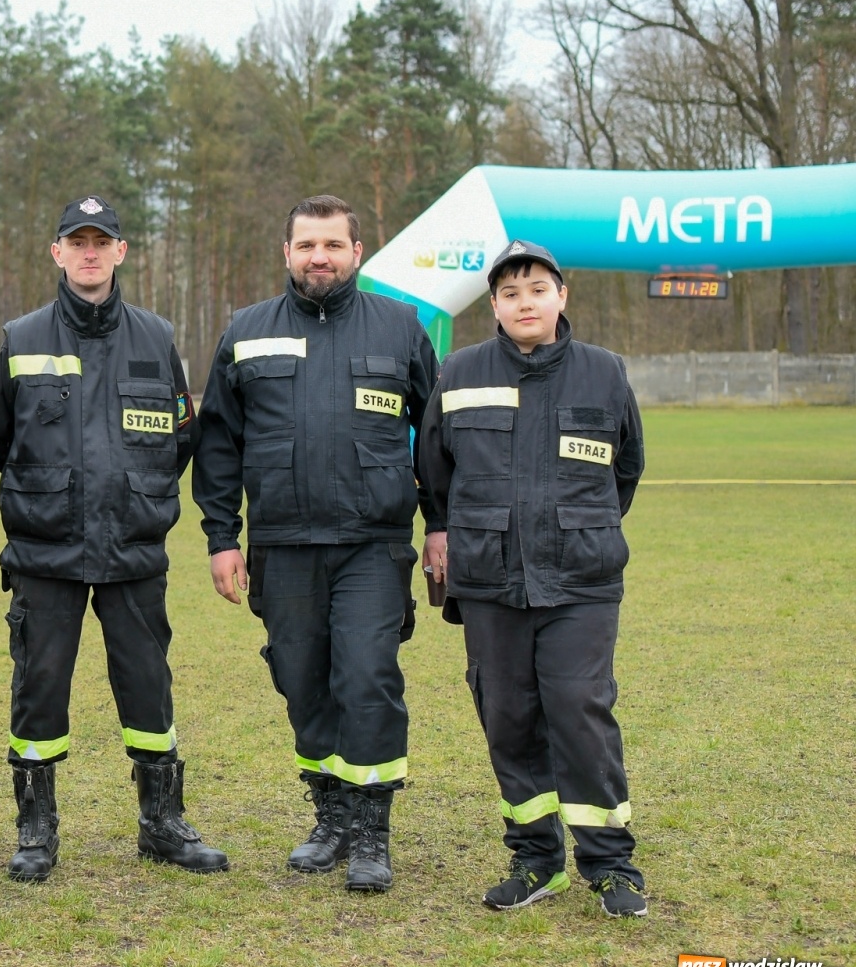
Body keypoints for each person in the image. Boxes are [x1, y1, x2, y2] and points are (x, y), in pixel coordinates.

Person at [193, 194, 438, 893]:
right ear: (287, 253)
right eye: (307, 245)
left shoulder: (400, 328)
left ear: (357, 252)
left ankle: (371, 830)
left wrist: (442, 525)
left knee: (367, 678)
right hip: (282, 544)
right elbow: (219, 444)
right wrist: (222, 537)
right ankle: (332, 817)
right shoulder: (246, 330)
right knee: (301, 681)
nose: (319, 257)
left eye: (333, 244)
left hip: (372, 543)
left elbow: (439, 436)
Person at [0, 195, 228, 882]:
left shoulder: (156, 336)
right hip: (45, 551)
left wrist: (139, 493)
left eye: (101, 242)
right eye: (76, 241)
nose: (89, 253)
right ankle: (36, 830)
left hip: (133, 549)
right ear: (57, 252)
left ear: (121, 251)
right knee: (38, 688)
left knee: (148, 686)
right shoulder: (22, 337)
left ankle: (162, 823)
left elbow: (180, 437)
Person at [419, 240, 647, 918]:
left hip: (581, 579)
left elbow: (625, 469)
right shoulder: (460, 371)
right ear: (493, 305)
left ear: (561, 296)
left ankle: (610, 865)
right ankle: (536, 859)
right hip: (490, 579)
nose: (525, 303)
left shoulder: (605, 372)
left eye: (538, 290)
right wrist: (457, 529)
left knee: (580, 710)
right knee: (508, 717)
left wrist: (579, 525)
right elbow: (434, 468)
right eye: (511, 293)